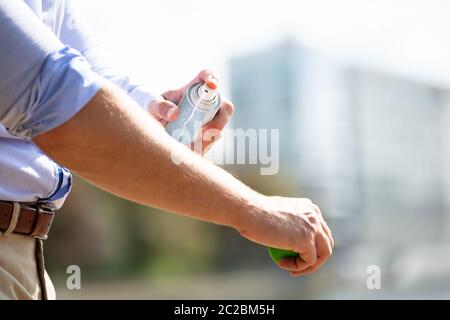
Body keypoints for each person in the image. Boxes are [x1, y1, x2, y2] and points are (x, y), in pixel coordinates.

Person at [0, 0, 334, 300]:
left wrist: (161, 119)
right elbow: (62, 108)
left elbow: (94, 76)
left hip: (27, 260)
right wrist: (256, 211)